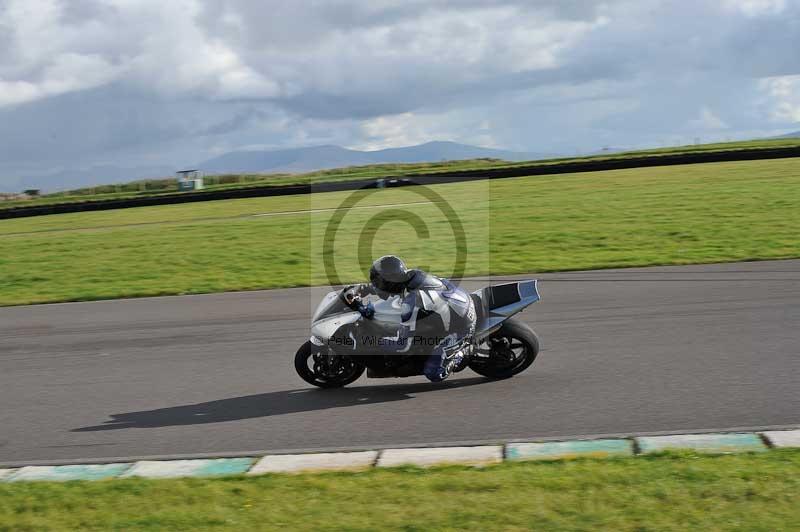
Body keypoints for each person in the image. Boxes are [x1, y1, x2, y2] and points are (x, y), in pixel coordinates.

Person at [345, 255, 475, 382]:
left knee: (434, 372)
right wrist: (358, 291)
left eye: (378, 281)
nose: (376, 285)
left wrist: (374, 341)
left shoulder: (411, 302)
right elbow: (378, 287)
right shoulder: (408, 276)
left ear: (389, 281)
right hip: (453, 303)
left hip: (462, 324)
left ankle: (463, 351)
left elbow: (403, 346)